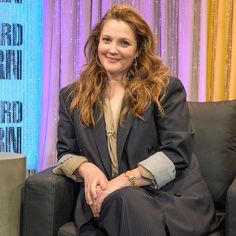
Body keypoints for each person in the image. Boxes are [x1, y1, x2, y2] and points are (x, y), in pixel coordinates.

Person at [53, 4, 220, 236]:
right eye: (106, 40)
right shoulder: (72, 96)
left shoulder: (164, 89)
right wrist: (87, 169)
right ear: (97, 43)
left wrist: (119, 182)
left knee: (127, 200)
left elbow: (177, 153)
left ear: (139, 49)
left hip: (168, 196)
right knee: (124, 201)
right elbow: (65, 152)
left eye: (124, 42)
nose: (112, 49)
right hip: (109, 199)